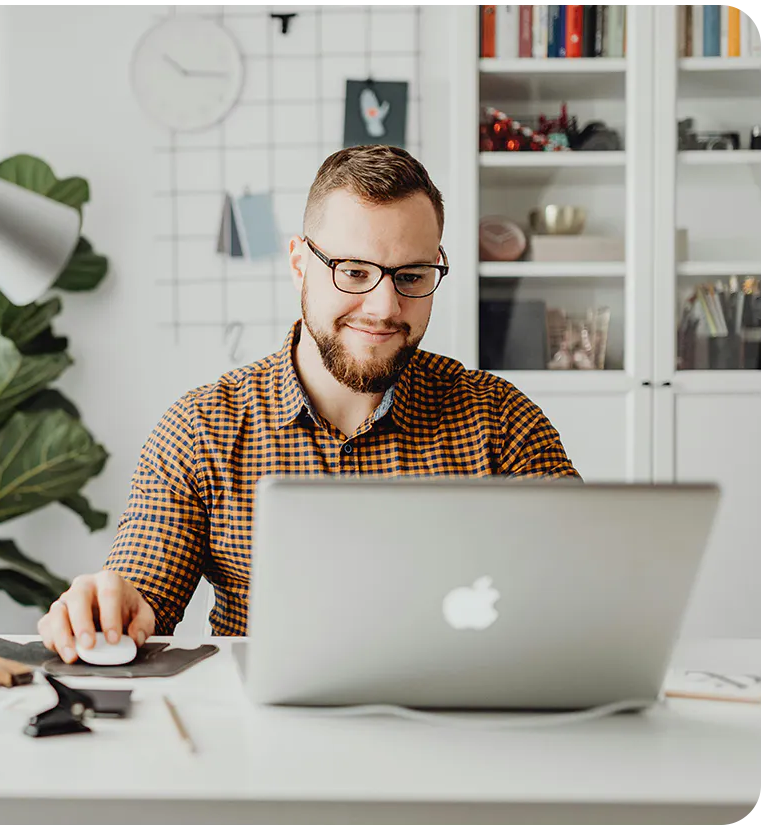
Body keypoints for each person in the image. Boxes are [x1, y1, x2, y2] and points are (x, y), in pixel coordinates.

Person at [38, 145, 580, 662]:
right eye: (354, 272)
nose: (385, 307)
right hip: (268, 741)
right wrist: (111, 608)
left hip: (460, 730)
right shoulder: (202, 428)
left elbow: (585, 583)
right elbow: (142, 596)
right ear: (300, 262)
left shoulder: (500, 419)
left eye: (412, 276)